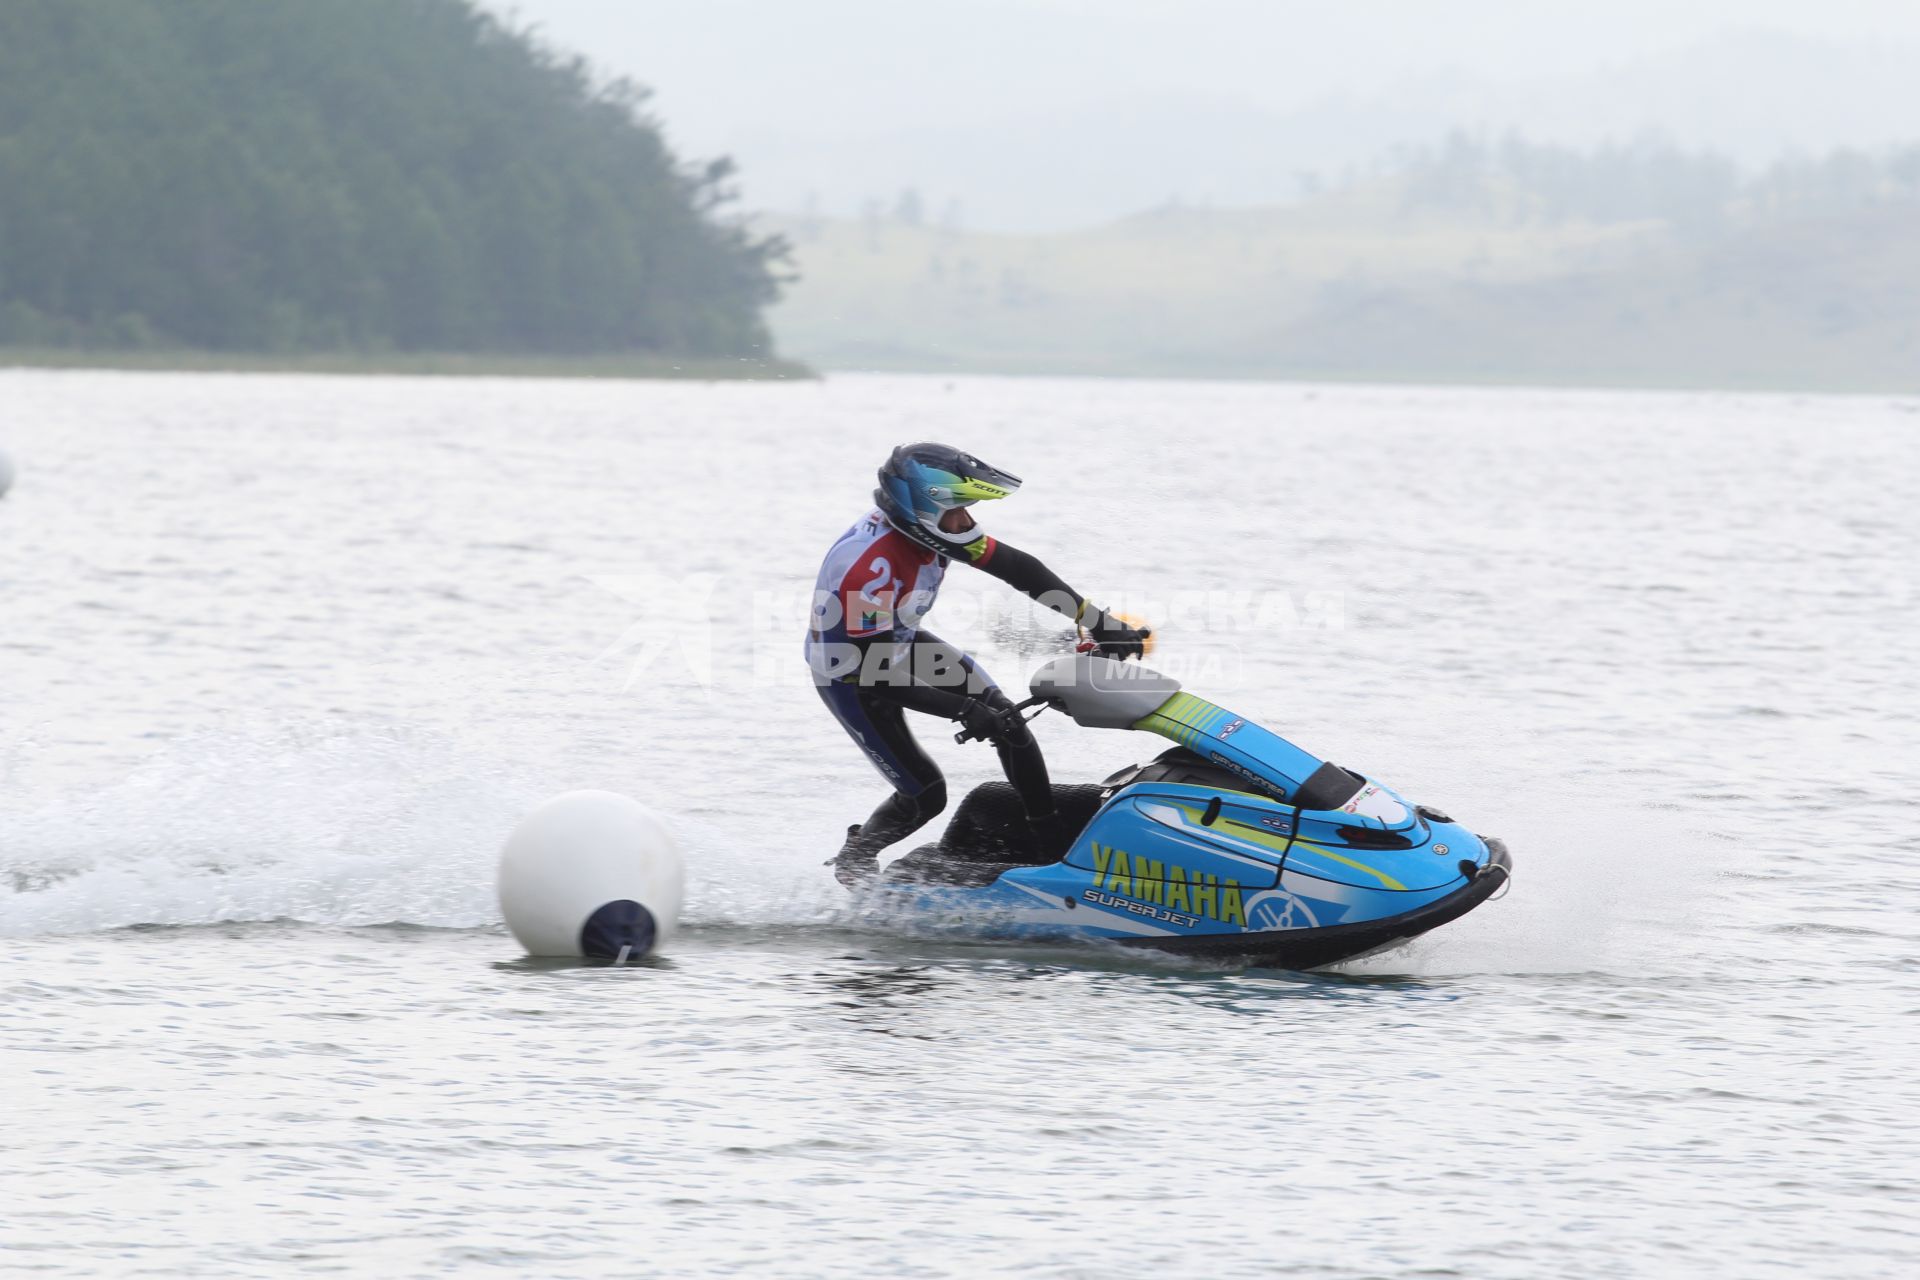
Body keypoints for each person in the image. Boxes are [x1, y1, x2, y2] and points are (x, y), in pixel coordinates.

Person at [806, 443, 1151, 887]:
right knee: (926, 796)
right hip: (850, 672)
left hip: (901, 642)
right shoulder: (867, 568)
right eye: (960, 512)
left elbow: (1018, 568)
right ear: (924, 512)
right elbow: (872, 671)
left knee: (1009, 723)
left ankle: (1049, 850)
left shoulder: (928, 530)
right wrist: (964, 710)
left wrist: (1099, 622)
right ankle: (857, 857)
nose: (968, 522)